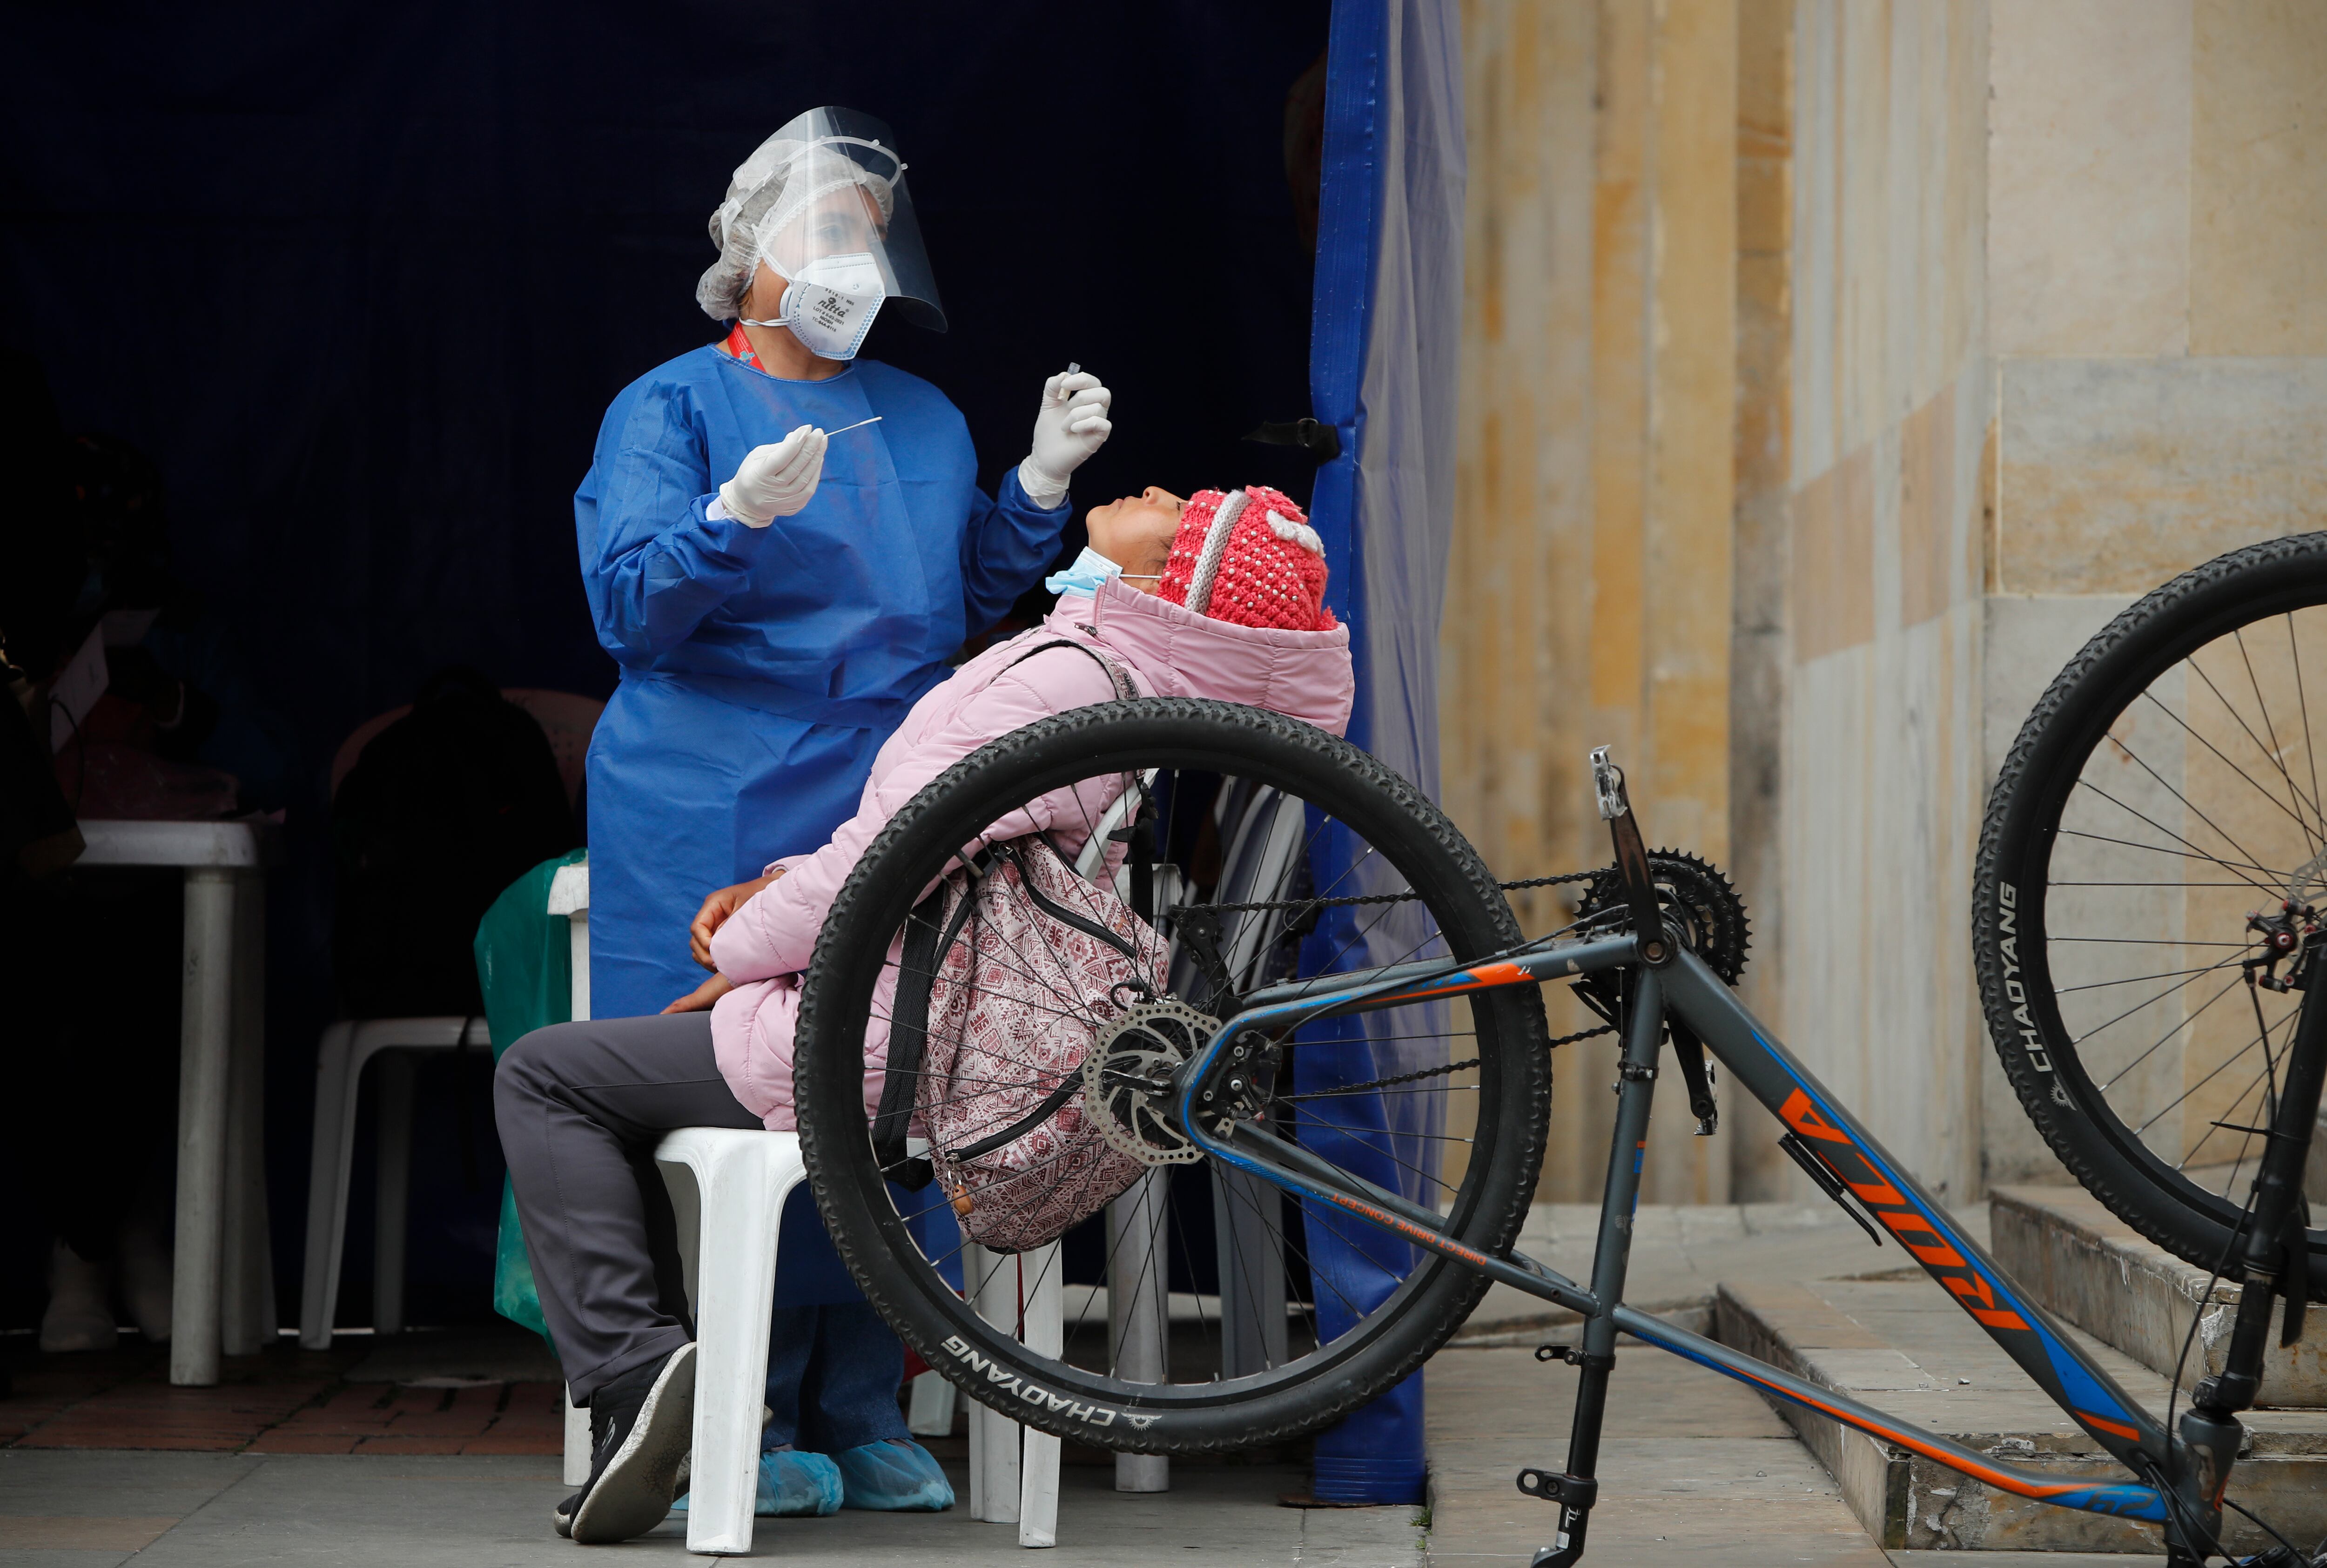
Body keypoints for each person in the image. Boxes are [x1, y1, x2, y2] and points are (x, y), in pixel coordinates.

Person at [499, 485, 1350, 1544]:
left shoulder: (1067, 678)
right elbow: (936, 848)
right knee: (608, 1086)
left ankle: (636, 1378)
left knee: (546, 1077)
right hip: (934, 1007)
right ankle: (674, 1381)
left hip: (891, 1026)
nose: (1153, 489)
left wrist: (748, 950)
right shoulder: (1112, 674)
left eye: (1176, 511)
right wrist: (775, 887)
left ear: (1166, 583)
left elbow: (890, 855)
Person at [570, 107, 1112, 1517]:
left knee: (881, 1096)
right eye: (823, 233)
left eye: (873, 237)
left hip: (886, 795)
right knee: (730, 1108)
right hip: (709, 800)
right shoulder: (672, 409)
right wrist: (728, 520)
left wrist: (1039, 490)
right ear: (747, 251)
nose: (852, 264)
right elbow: (629, 604)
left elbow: (960, 591)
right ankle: (718, 1418)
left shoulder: (923, 416)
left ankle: (862, 1401)